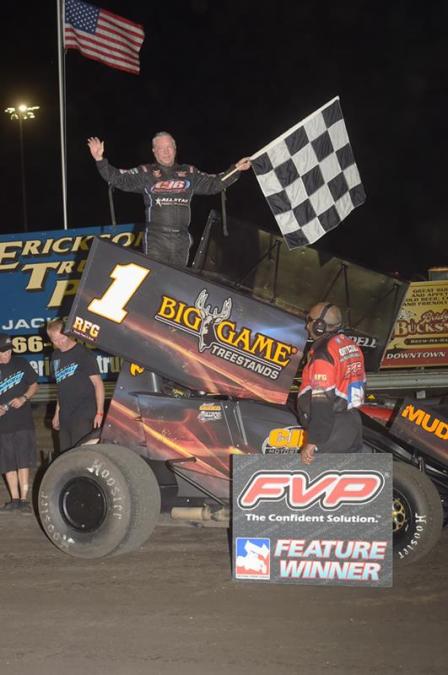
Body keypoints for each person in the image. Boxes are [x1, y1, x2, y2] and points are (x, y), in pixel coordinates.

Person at [87, 132, 251, 267]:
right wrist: (100, 160)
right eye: (160, 148)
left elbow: (214, 183)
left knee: (176, 286)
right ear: (154, 151)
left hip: (182, 239)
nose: (165, 151)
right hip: (156, 239)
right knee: (157, 281)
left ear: (175, 148)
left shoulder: (189, 172)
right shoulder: (146, 172)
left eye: (169, 147)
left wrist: (236, 169)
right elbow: (119, 179)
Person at [296, 303, 366, 465]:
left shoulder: (323, 354)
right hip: (352, 421)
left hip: (331, 428)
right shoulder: (350, 345)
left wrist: (314, 440)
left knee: (315, 481)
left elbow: (322, 400)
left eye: (310, 321)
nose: (307, 326)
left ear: (320, 326)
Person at [46, 319, 105, 453]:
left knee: (82, 453)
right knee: (65, 454)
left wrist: (100, 412)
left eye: (62, 338)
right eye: (55, 340)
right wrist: (57, 414)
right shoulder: (55, 356)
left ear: (68, 333)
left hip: (84, 411)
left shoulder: (83, 353)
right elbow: (61, 387)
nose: (60, 342)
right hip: (65, 413)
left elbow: (98, 383)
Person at [0, 333, 38, 513]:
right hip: (3, 425)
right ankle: (14, 499)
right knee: (7, 462)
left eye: (7, 351)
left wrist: (23, 397)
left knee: (23, 460)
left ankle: (24, 500)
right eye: (1, 352)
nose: (5, 355)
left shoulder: (21, 363)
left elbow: (34, 385)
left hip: (23, 422)